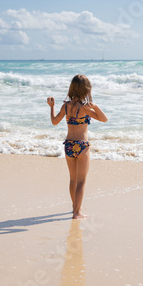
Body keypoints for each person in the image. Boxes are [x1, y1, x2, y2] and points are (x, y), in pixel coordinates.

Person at [47, 74, 108, 219]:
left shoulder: (66, 106)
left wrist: (52, 107)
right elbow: (104, 119)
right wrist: (96, 106)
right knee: (81, 181)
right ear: (86, 90)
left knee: (73, 179)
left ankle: (75, 206)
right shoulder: (85, 108)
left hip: (68, 145)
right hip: (81, 146)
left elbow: (54, 122)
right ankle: (77, 212)